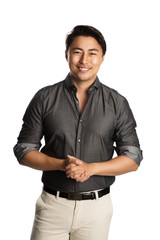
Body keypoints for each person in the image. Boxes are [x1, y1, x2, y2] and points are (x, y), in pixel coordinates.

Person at [13, 25, 143, 240]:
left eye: (92, 53)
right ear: (67, 55)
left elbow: (133, 157)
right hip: (52, 206)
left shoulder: (117, 103)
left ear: (102, 57)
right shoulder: (44, 98)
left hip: (97, 210)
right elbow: (24, 150)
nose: (84, 60)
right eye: (77, 52)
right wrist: (63, 164)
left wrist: (91, 169)